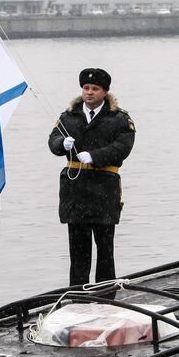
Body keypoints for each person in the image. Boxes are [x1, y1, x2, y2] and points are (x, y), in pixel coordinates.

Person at [48, 68, 135, 287]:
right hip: (75, 191)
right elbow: (53, 140)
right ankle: (78, 295)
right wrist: (61, 144)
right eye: (86, 88)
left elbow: (123, 147)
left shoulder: (118, 118)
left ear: (104, 92)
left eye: (95, 89)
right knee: (78, 253)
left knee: (105, 251)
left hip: (103, 190)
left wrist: (95, 156)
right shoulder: (68, 116)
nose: (89, 92)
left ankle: (105, 296)